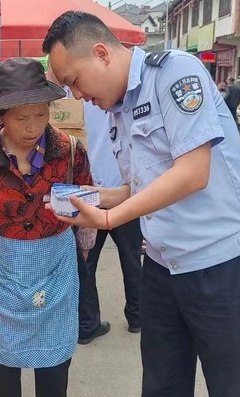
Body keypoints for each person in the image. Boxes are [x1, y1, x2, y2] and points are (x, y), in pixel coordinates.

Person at [44, 11, 240, 397]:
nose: (76, 96)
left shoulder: (175, 73)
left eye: (74, 81)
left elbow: (193, 172)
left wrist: (110, 217)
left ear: (102, 53)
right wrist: (91, 200)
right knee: (162, 387)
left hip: (220, 266)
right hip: (163, 267)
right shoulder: (117, 110)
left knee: (232, 388)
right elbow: (142, 186)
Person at [0, 58, 96, 397]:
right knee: (3, 376)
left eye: (40, 114)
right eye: (21, 117)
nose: (33, 127)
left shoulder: (70, 153)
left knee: (54, 373)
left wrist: (85, 246)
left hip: (56, 274)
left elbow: (87, 201)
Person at [78, 99, 143, 344]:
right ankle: (137, 317)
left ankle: (87, 324)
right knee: (131, 258)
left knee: (87, 262)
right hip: (126, 192)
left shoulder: (79, 104)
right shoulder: (129, 102)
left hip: (92, 192)